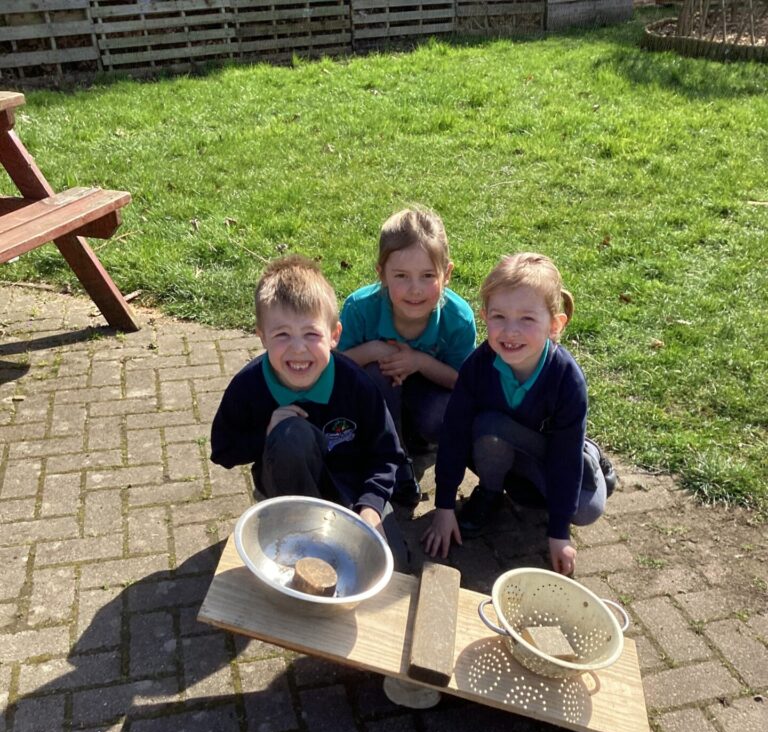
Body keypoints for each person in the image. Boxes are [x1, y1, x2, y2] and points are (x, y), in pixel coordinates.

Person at [422, 252, 617, 578]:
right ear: (485, 317)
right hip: (498, 441)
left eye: (527, 319)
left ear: (555, 325)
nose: (510, 331)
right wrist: (443, 507)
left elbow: (564, 456)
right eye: (499, 317)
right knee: (488, 427)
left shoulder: (567, 379)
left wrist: (558, 533)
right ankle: (491, 491)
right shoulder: (477, 367)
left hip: (549, 450)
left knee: (586, 509)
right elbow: (454, 435)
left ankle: (592, 454)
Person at [210, 254, 408, 567]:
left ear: (334, 335)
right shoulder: (247, 386)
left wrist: (370, 507)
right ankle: (294, 529)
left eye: (311, 334)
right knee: (291, 436)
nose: (298, 348)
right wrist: (267, 434)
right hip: (289, 491)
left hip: (351, 492)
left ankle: (343, 530)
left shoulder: (356, 384)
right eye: (282, 335)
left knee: (392, 566)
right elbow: (223, 450)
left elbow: (386, 454)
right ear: (262, 336)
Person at [337, 206, 477, 507]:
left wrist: (419, 361)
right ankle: (394, 461)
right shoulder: (359, 308)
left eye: (428, 276)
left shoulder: (458, 318)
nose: (415, 290)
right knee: (377, 372)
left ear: (447, 274)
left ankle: (415, 436)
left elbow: (463, 381)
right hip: (376, 392)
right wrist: (375, 350)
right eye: (401, 276)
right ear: (382, 274)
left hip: (429, 391)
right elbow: (336, 366)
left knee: (443, 417)